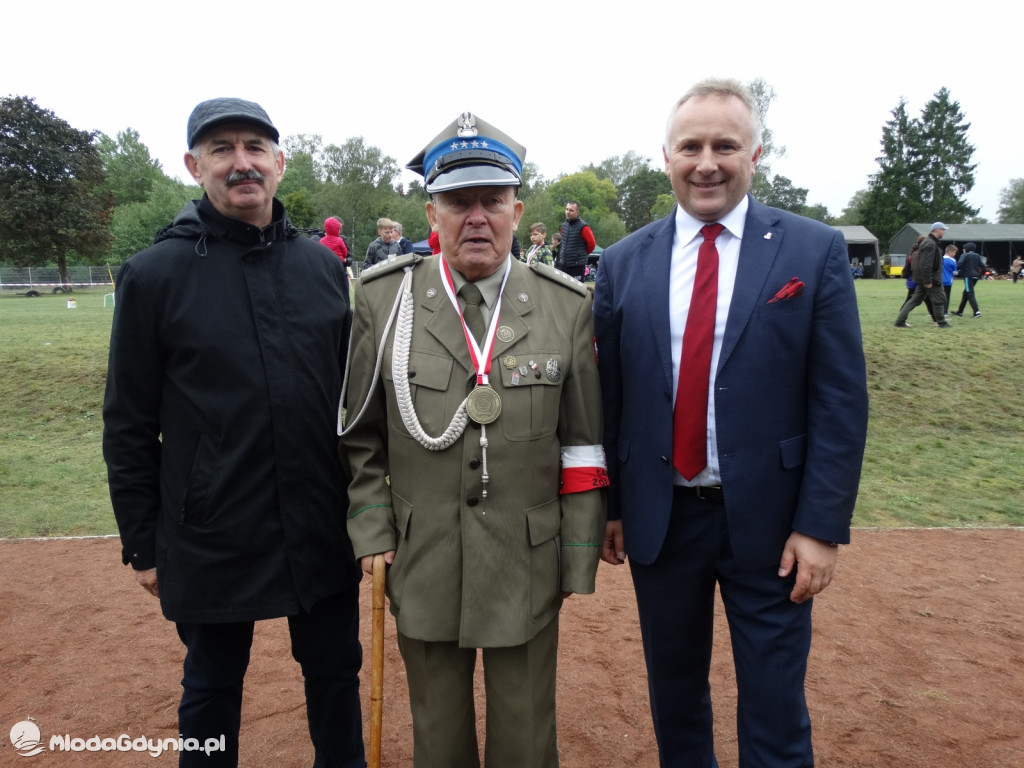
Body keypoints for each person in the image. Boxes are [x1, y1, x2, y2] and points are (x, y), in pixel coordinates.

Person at [593, 78, 869, 768]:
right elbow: (609, 395)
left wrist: (821, 526)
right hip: (663, 519)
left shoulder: (811, 251)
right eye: (691, 146)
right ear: (666, 156)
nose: (707, 161)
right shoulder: (625, 263)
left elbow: (839, 398)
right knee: (675, 701)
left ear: (756, 153)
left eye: (725, 145)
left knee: (776, 710)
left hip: (773, 527)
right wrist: (612, 506)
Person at [102, 98, 364, 768]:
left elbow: (351, 403)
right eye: (222, 149)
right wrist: (143, 543)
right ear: (195, 166)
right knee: (212, 686)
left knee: (336, 676)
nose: (241, 162)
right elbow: (128, 422)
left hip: (318, 520)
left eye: (255, 147)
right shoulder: (153, 276)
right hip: (212, 526)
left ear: (279, 162)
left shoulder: (320, 268)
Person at [340, 111, 607, 768]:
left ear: (518, 209)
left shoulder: (564, 305)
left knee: (525, 731)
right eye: (459, 201)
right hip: (422, 554)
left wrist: (576, 554)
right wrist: (373, 532)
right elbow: (359, 436)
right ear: (432, 211)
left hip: (528, 558)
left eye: (493, 200)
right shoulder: (385, 300)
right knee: (438, 734)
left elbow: (581, 445)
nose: (477, 216)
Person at [894, 223, 953, 328]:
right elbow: (926, 264)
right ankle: (942, 323)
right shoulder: (930, 244)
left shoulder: (928, 242)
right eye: (943, 230)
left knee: (914, 300)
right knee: (939, 299)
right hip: (932, 279)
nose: (944, 232)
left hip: (924, 278)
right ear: (937, 230)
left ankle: (899, 321)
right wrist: (928, 281)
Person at [556, 201, 596, 281]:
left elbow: (592, 245)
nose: (568, 212)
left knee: (576, 291)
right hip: (563, 264)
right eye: (567, 209)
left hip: (577, 266)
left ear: (577, 212)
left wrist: (580, 255)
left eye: (571, 210)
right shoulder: (563, 226)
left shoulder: (584, 227)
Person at [951, 242, 985, 318]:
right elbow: (983, 266)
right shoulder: (977, 256)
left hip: (968, 276)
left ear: (966, 249)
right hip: (975, 277)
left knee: (970, 293)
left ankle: (976, 312)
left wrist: (959, 271)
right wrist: (983, 273)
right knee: (966, 293)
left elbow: (959, 264)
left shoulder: (964, 255)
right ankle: (960, 312)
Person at [942, 244, 959, 317]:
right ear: (949, 252)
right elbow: (955, 272)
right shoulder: (952, 260)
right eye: (954, 252)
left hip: (939, 281)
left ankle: (935, 311)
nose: (954, 254)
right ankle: (945, 312)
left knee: (938, 297)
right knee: (946, 297)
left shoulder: (940, 259)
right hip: (948, 281)